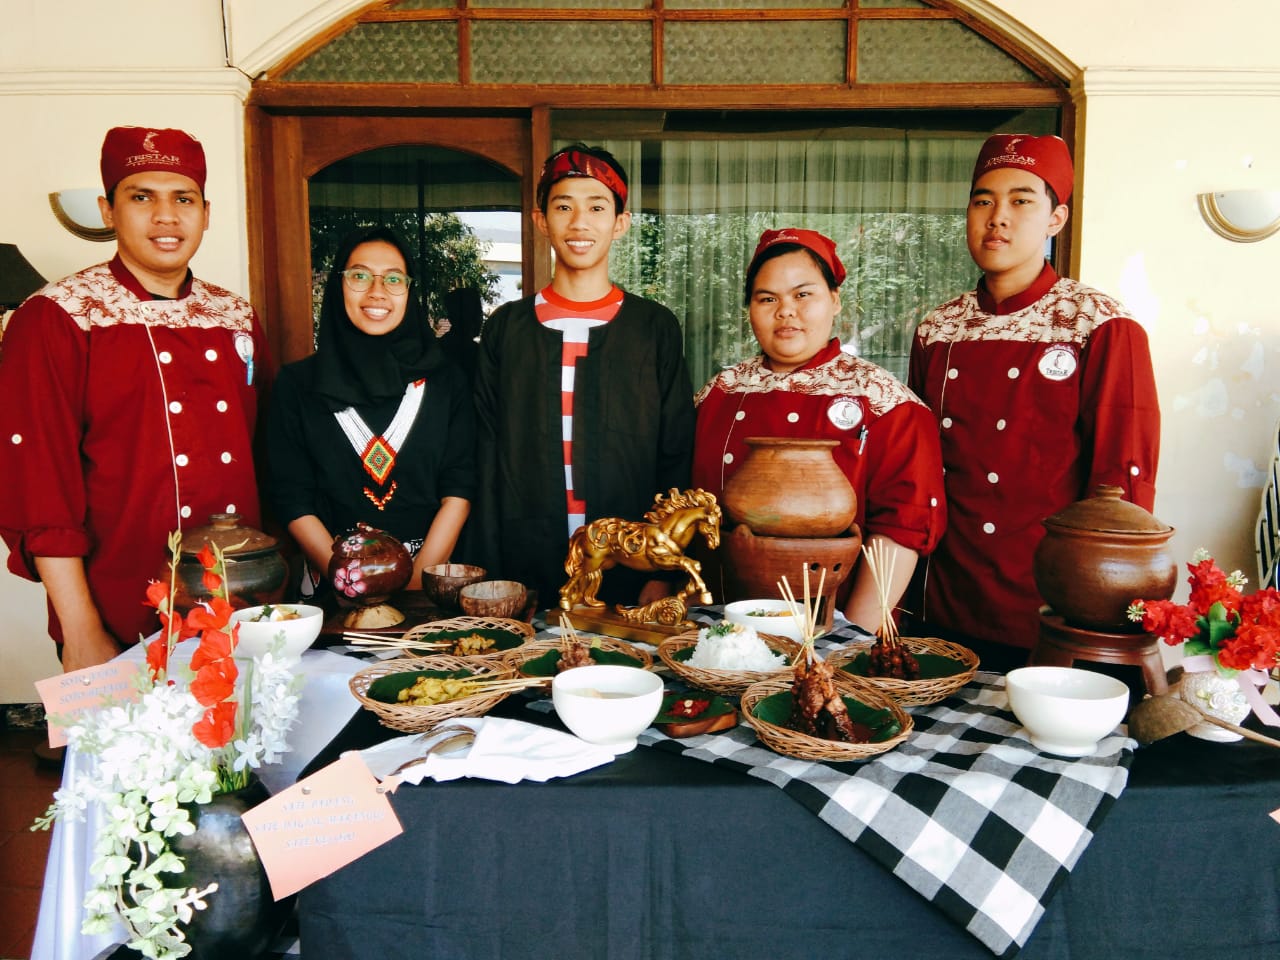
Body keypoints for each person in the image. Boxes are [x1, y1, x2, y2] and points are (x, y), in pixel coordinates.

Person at [0, 126, 270, 673]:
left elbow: (266, 452)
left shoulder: (234, 315)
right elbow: (38, 486)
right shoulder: (59, 315)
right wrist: (81, 629)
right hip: (118, 609)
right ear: (108, 210)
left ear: (206, 214)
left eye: (183, 199)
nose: (166, 217)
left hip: (242, 602)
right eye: (142, 196)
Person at [908, 134, 1161, 662]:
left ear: (1055, 219)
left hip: (1048, 600)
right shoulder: (940, 327)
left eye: (1021, 201)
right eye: (983, 201)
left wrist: (1101, 605)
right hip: (943, 591)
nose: (997, 218)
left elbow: (1121, 487)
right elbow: (917, 465)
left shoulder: (1100, 323)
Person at [473, 143, 696, 608]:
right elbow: (486, 454)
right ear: (540, 220)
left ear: (621, 222)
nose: (579, 223)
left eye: (597, 207)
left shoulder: (653, 328)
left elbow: (675, 452)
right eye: (563, 207)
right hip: (525, 557)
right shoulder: (507, 328)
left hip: (629, 562)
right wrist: (492, 569)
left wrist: (663, 571)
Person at [693, 228, 946, 631]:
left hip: (836, 626)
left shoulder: (885, 400)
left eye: (803, 294)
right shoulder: (720, 393)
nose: (785, 311)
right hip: (720, 624)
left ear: (835, 299)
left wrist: (853, 638)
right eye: (767, 298)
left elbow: (902, 529)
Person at [266, 226, 475, 593]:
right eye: (360, 276)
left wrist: (415, 585)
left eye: (393, 279)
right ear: (338, 286)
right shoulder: (298, 385)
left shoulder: (446, 382)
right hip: (334, 592)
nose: (377, 291)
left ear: (409, 291)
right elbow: (292, 498)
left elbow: (459, 488)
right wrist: (350, 585)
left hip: (429, 588)